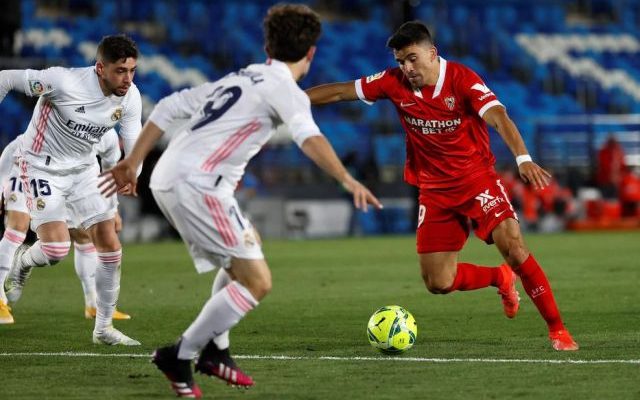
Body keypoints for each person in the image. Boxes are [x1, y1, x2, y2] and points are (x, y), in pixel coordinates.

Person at [100, 4, 382, 397]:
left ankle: (217, 351)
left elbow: (166, 107)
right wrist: (347, 178)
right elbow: (309, 137)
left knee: (248, 249)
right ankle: (181, 354)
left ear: (268, 45)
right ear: (311, 53)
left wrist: (135, 161)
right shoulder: (286, 90)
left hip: (173, 174)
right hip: (198, 183)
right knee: (258, 281)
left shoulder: (245, 76)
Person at [305, 21, 578, 351]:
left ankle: (558, 331)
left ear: (432, 54)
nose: (406, 68)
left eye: (412, 58)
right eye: (400, 61)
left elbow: (498, 116)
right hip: (434, 190)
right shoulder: (392, 83)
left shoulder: (463, 80)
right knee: (438, 282)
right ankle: (499, 278)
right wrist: (291, 102)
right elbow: (340, 91)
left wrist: (523, 159)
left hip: (477, 180)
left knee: (515, 247)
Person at [0, 34, 141, 345]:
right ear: (100, 68)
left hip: (84, 170)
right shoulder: (63, 82)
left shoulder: (130, 97)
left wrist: (132, 173)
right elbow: (6, 78)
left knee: (110, 245)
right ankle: (23, 262)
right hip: (40, 166)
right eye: (121, 70)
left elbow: (133, 146)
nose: (128, 79)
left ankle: (103, 328)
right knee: (55, 250)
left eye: (132, 70)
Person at [0, 131, 131, 324]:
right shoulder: (62, 117)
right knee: (18, 226)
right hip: (28, 168)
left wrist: (113, 208)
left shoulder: (106, 132)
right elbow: (15, 147)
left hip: (67, 179)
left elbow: (108, 170)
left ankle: (93, 304)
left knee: (83, 236)